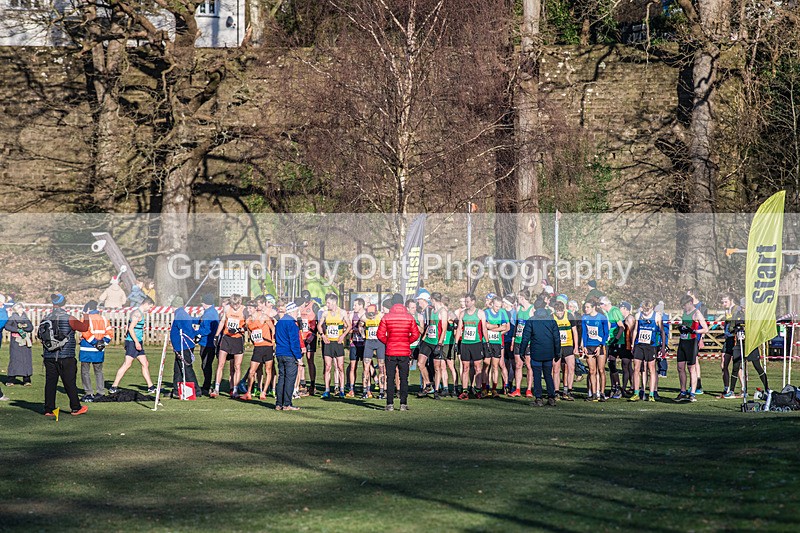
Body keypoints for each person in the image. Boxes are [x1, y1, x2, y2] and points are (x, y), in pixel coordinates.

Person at [41, 293, 90, 416]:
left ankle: (49, 409)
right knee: (69, 382)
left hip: (49, 355)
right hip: (66, 355)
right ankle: (75, 407)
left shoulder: (46, 318)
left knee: (50, 383)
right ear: (64, 303)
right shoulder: (69, 318)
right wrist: (86, 315)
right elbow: (84, 328)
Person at [376, 293, 420, 411]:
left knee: (390, 378)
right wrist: (407, 341)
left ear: (392, 303)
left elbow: (379, 334)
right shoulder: (409, 317)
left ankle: (389, 404)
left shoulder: (386, 317)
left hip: (390, 351)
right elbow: (416, 334)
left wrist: (388, 342)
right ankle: (403, 404)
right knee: (404, 378)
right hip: (404, 351)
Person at [109, 297, 157, 394]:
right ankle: (114, 386)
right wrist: (136, 342)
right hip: (133, 342)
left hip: (137, 341)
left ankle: (150, 386)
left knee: (145, 363)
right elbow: (131, 328)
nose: (150, 309)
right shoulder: (137, 314)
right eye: (150, 307)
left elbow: (128, 327)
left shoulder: (137, 313)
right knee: (127, 364)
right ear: (146, 304)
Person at [519, 298, 561, 407]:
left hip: (536, 351)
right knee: (548, 375)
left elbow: (525, 338)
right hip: (549, 352)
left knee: (537, 375)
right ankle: (551, 397)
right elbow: (557, 338)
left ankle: (539, 398)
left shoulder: (531, 320)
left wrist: (521, 351)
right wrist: (558, 352)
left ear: (535, 308)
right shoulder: (552, 321)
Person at [211, 293, 248, 398]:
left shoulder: (244, 310)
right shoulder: (227, 309)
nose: (235, 306)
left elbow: (247, 326)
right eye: (233, 304)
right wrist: (216, 336)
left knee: (236, 366)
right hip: (226, 338)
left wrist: (239, 329)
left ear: (240, 303)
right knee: (221, 364)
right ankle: (216, 388)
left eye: (237, 304)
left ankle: (235, 389)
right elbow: (222, 322)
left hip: (237, 340)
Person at [628, 300, 665, 402]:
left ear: (652, 308)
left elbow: (662, 332)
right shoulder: (638, 315)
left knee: (651, 369)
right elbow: (635, 329)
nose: (646, 312)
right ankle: (636, 392)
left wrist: (662, 347)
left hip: (651, 346)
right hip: (639, 345)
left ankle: (652, 393)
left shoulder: (657, 316)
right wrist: (632, 343)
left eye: (648, 310)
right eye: (644, 309)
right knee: (636, 368)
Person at [455, 293, 488, 400]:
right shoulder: (462, 314)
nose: (466, 303)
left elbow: (484, 329)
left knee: (478, 368)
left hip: (476, 343)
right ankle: (465, 391)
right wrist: (456, 343)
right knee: (465, 368)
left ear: (473, 302)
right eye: (465, 301)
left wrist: (486, 343)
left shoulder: (480, 313)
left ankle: (478, 390)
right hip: (465, 344)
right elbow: (459, 329)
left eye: (468, 301)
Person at [675, 295, 708, 402]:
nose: (683, 308)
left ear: (689, 303)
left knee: (691, 368)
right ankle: (683, 391)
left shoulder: (697, 313)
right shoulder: (685, 313)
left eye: (684, 305)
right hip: (683, 342)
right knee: (680, 367)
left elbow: (705, 329)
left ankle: (692, 393)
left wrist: (694, 331)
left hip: (691, 342)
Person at [318, 293, 351, 399]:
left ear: (334, 302)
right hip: (328, 343)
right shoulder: (325, 313)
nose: (327, 305)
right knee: (328, 367)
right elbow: (319, 325)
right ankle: (327, 390)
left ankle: (341, 390)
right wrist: (323, 335)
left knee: (340, 367)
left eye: (328, 303)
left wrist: (343, 336)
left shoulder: (342, 312)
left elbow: (349, 325)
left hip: (338, 343)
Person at [242, 296, 276, 401]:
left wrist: (273, 342)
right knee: (252, 371)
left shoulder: (264, 317)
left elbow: (273, 329)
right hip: (257, 348)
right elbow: (251, 333)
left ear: (255, 308)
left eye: (250, 308)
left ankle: (264, 392)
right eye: (247, 308)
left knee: (268, 370)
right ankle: (249, 392)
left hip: (268, 346)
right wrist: (253, 341)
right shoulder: (248, 321)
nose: (248, 310)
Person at [78, 300, 112, 400]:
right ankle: (100, 392)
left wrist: (94, 342)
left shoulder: (85, 318)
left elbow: (85, 332)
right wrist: (102, 343)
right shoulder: (104, 319)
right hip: (99, 349)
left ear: (88, 308)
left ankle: (88, 392)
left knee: (85, 371)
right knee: (99, 371)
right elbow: (109, 334)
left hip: (86, 348)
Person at [275, 300, 305, 411]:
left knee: (281, 378)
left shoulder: (279, 322)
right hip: (289, 354)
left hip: (280, 353)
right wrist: (299, 357)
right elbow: (294, 342)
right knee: (290, 380)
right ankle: (287, 403)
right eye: (296, 310)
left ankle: (279, 403)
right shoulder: (292, 324)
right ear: (292, 311)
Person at [170, 297, 201, 397]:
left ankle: (196, 390)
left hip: (184, 346)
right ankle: (176, 390)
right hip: (181, 346)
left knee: (187, 368)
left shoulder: (180, 315)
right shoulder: (182, 313)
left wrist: (194, 335)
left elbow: (186, 330)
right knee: (178, 368)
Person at [417, 292, 447, 398]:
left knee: (436, 368)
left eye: (431, 300)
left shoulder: (442, 312)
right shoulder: (431, 310)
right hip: (428, 341)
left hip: (436, 342)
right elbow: (430, 326)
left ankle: (436, 390)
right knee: (420, 364)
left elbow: (443, 329)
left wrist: (439, 344)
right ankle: (428, 384)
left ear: (434, 300)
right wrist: (423, 339)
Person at [580, 300, 609, 402]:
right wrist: (583, 345)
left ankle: (601, 393)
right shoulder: (584, 317)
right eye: (585, 307)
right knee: (592, 371)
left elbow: (606, 333)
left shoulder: (601, 318)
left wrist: (601, 345)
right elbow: (584, 332)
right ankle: (593, 393)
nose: (586, 309)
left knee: (601, 370)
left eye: (588, 307)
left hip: (600, 346)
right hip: (589, 346)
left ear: (594, 307)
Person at [717, 293, 744, 398]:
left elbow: (739, 322)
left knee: (737, 365)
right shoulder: (727, 310)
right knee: (724, 364)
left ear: (731, 300)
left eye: (725, 302)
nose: (723, 304)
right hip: (728, 339)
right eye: (722, 302)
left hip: (735, 339)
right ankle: (726, 388)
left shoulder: (737, 309)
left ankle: (743, 389)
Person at [484, 295, 510, 397]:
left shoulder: (503, 312)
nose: (497, 308)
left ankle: (494, 389)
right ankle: (485, 387)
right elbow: (485, 326)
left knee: (495, 366)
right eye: (496, 306)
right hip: (487, 342)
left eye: (499, 306)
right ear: (492, 304)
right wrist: (498, 326)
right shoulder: (486, 312)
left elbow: (506, 327)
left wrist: (493, 328)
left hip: (497, 342)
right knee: (486, 365)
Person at [599, 296, 625, 399]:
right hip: (609, 341)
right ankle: (613, 387)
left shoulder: (614, 311)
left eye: (601, 304)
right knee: (610, 365)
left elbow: (621, 327)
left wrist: (616, 339)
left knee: (612, 363)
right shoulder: (607, 313)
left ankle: (617, 387)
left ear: (605, 304)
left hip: (616, 342)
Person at [552, 300, 578, 401]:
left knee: (571, 368)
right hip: (557, 346)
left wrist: (576, 347)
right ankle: (556, 391)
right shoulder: (552, 317)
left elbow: (574, 331)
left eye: (560, 311)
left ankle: (568, 391)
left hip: (568, 346)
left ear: (564, 310)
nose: (559, 314)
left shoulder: (569, 316)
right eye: (557, 311)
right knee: (556, 369)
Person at [509, 290, 533, 397]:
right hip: (518, 341)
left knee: (528, 365)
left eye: (518, 297)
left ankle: (528, 390)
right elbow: (517, 325)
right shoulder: (519, 310)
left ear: (523, 298)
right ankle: (517, 389)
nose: (518, 300)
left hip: (528, 342)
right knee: (518, 365)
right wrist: (513, 338)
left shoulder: (532, 310)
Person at [4, 302, 34, 387]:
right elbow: (7, 327)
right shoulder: (12, 318)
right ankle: (10, 380)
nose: (21, 309)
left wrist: (24, 328)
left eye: (21, 308)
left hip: (25, 342)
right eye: (19, 308)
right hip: (16, 342)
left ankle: (27, 380)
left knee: (26, 360)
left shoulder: (25, 318)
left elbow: (30, 328)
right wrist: (17, 330)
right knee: (15, 360)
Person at [196, 293, 219, 396]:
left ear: (205, 303)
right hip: (208, 342)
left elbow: (207, 329)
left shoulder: (209, 314)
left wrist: (197, 332)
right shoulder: (211, 312)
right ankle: (206, 385)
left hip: (207, 343)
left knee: (206, 365)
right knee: (205, 364)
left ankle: (206, 386)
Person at [298, 290, 321, 395]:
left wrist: (314, 334)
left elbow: (319, 321)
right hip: (300, 336)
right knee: (299, 360)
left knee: (310, 359)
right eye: (304, 300)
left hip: (310, 336)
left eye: (307, 301)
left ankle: (312, 384)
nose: (305, 303)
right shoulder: (298, 306)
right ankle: (302, 383)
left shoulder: (314, 306)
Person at [362, 304, 384, 399]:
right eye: (369, 314)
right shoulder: (364, 317)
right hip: (369, 342)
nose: (371, 316)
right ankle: (365, 391)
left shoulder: (381, 316)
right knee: (366, 368)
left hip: (379, 342)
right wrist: (363, 336)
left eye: (372, 314)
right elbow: (360, 326)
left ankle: (382, 391)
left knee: (381, 367)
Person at [346, 298, 366, 397]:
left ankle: (366, 388)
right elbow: (348, 329)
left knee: (365, 367)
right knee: (353, 366)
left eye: (355, 305)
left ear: (361, 305)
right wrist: (355, 330)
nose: (353, 307)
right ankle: (351, 388)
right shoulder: (351, 315)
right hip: (354, 343)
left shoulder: (366, 315)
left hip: (364, 344)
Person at [619, 302, 636, 396]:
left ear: (625, 309)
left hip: (628, 346)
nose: (619, 309)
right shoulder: (626, 318)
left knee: (625, 366)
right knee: (628, 367)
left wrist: (632, 345)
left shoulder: (629, 318)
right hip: (626, 345)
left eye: (620, 308)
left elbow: (632, 332)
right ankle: (632, 386)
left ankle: (624, 387)